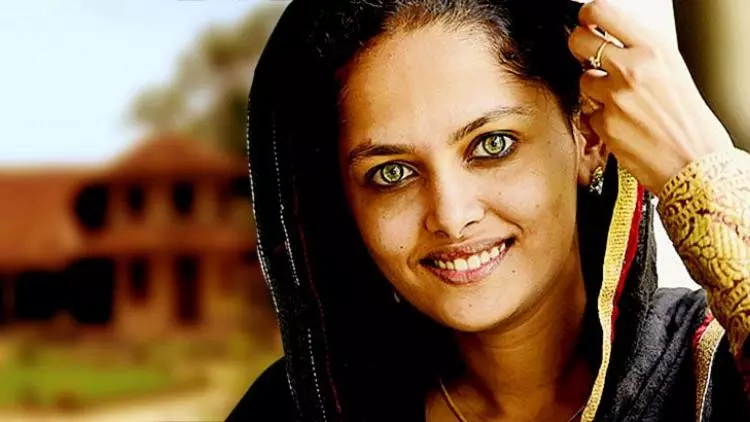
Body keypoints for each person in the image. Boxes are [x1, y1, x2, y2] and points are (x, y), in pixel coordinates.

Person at [228, 0, 750, 420]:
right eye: (392, 173)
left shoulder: (710, 371)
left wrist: (699, 170)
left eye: (493, 145)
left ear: (589, 139)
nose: (451, 216)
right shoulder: (297, 408)